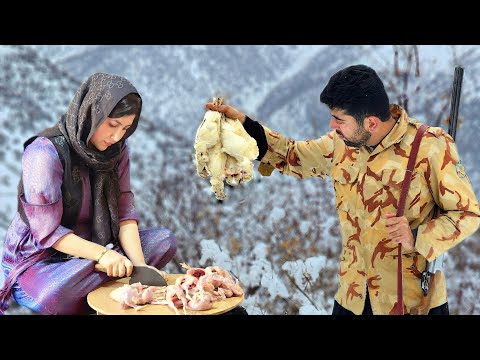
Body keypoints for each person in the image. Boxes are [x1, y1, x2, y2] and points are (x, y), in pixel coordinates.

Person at [206, 64, 480, 315]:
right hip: (352, 299)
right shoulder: (342, 144)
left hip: (411, 304)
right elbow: (291, 156)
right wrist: (243, 125)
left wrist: (418, 236)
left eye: (339, 119)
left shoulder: (430, 146)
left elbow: (467, 213)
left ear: (371, 123)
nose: (332, 126)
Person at [0, 72, 177, 315]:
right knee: (54, 294)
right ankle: (107, 282)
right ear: (91, 113)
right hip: (42, 261)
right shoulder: (44, 153)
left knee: (164, 241)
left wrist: (139, 266)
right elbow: (47, 232)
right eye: (112, 125)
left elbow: (124, 211)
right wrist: (103, 255)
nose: (117, 136)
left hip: (92, 250)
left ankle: (111, 281)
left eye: (125, 128)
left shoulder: (117, 150)